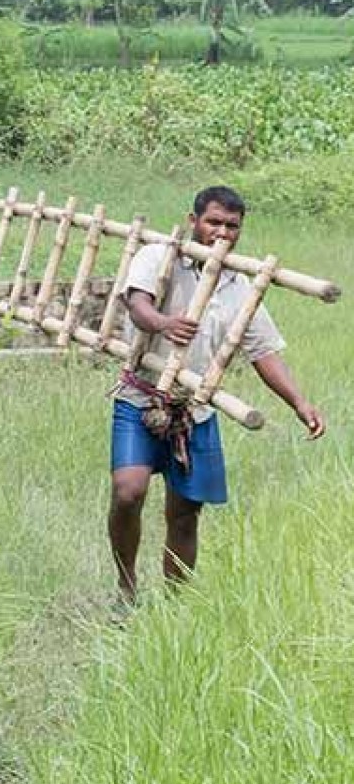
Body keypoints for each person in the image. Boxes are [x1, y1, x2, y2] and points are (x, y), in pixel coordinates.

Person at [110, 184, 327, 603]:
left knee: (186, 512)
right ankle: (126, 585)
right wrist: (162, 323)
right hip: (140, 398)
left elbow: (262, 351)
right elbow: (137, 304)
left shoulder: (240, 284)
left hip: (194, 410)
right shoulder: (159, 256)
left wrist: (299, 402)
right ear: (194, 222)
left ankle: (176, 607)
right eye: (214, 222)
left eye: (232, 226)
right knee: (128, 491)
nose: (222, 233)